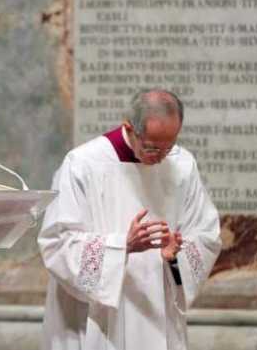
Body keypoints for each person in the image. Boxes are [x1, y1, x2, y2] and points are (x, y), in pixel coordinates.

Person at [38, 89, 221, 350]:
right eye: (151, 147)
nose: (160, 157)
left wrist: (174, 257)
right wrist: (122, 246)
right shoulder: (83, 164)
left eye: (168, 147)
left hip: (158, 314)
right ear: (129, 128)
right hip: (100, 317)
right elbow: (57, 242)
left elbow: (206, 235)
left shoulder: (182, 165)